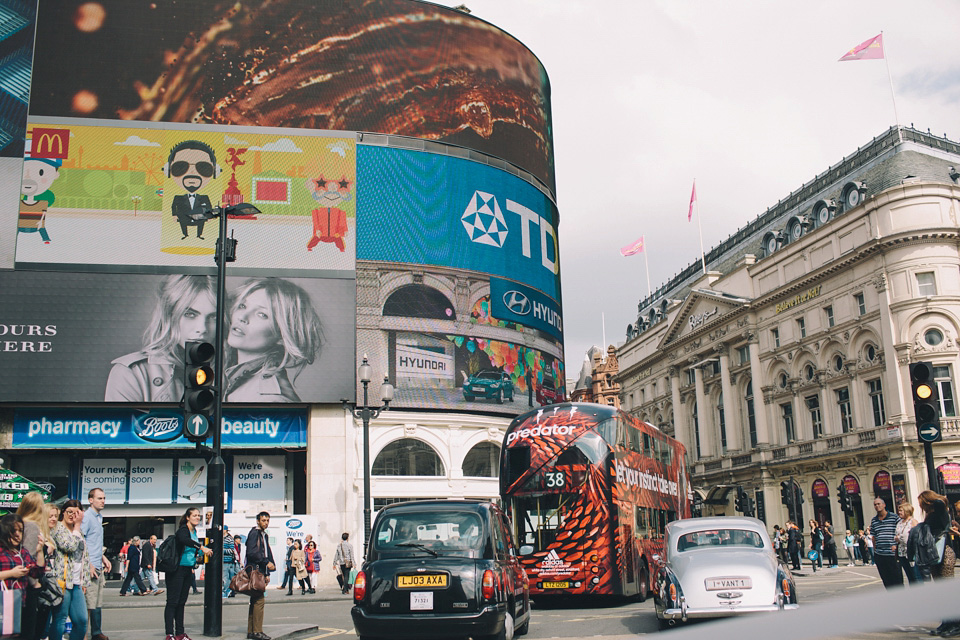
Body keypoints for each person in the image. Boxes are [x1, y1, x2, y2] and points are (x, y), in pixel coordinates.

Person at [105, 274, 217, 402]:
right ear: (168, 316)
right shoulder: (133, 373)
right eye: (190, 314)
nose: (202, 328)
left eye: (213, 317)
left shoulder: (230, 373)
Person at [224, 278, 324, 402]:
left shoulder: (270, 399)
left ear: (282, 336)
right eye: (242, 306)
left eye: (262, 314)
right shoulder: (233, 375)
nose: (242, 317)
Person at [164, 507, 212, 640]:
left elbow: (192, 548)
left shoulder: (194, 531)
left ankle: (180, 633)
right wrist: (201, 547)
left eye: (198, 516)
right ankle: (169, 634)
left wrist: (199, 554)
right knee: (172, 602)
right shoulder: (183, 530)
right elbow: (184, 540)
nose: (197, 517)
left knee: (181, 602)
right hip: (176, 569)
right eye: (194, 515)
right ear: (187, 517)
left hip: (187, 569)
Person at [51, 500, 90, 640]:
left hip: (77, 582)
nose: (73, 516)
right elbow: (69, 546)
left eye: (77, 513)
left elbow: (83, 555)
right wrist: (77, 526)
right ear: (63, 512)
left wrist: (84, 580)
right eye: (69, 512)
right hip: (62, 581)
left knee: (81, 621)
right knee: (60, 620)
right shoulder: (57, 529)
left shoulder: (78, 531)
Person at [166, 139, 220, 240]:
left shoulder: (204, 197)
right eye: (180, 167)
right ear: (168, 171)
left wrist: (209, 216)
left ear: (215, 172)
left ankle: (199, 235)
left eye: (203, 167)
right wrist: (174, 215)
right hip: (184, 218)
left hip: (199, 218)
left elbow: (209, 206)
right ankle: (185, 234)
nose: (192, 171)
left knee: (200, 222)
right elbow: (174, 206)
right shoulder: (178, 197)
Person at [0, 513, 40, 640]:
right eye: (14, 530)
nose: (18, 534)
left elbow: (37, 573)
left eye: (20, 530)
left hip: (20, 603)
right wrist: (11, 573)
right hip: (2, 603)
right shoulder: (1, 551)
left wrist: (39, 552)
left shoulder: (23, 552)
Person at [17, 492, 50, 640]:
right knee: (29, 631)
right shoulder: (32, 526)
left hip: (16, 584)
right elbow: (27, 557)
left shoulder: (18, 524)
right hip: (28, 585)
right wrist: (34, 583)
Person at [81, 487, 111, 640]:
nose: (103, 501)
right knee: (88, 602)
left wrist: (102, 557)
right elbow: (82, 541)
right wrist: (89, 564)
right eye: (100, 498)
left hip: (97, 564)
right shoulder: (87, 517)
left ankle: (96, 632)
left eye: (104, 498)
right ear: (91, 500)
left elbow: (95, 543)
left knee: (97, 602)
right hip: (89, 567)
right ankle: (84, 634)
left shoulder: (99, 517)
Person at [245, 511, 275, 640]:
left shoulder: (264, 534)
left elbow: (266, 552)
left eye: (267, 520)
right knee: (259, 601)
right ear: (258, 521)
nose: (266, 523)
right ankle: (257, 631)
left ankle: (251, 631)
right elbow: (252, 553)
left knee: (255, 600)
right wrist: (266, 563)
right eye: (263, 520)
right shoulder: (254, 533)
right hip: (255, 571)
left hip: (260, 571)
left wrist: (267, 572)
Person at [869, 496, 902, 588]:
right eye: (875, 504)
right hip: (880, 554)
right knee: (886, 580)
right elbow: (873, 536)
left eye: (879, 504)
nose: (877, 506)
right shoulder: (874, 520)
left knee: (897, 579)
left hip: (892, 554)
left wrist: (896, 545)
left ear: (884, 505)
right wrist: (876, 550)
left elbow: (900, 532)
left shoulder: (894, 517)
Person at [894, 503, 919, 584]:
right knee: (910, 577)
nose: (899, 512)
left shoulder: (913, 522)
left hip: (911, 553)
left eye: (901, 510)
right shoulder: (900, 522)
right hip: (902, 553)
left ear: (907, 511)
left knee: (916, 576)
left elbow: (913, 537)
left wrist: (899, 538)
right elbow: (897, 535)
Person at [223, 529, 238, 599]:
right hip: (224, 561)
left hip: (228, 561)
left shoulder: (229, 539)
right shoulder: (222, 538)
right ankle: (230, 591)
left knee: (226, 577)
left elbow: (231, 550)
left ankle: (227, 591)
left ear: (226, 530)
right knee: (228, 577)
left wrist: (222, 550)